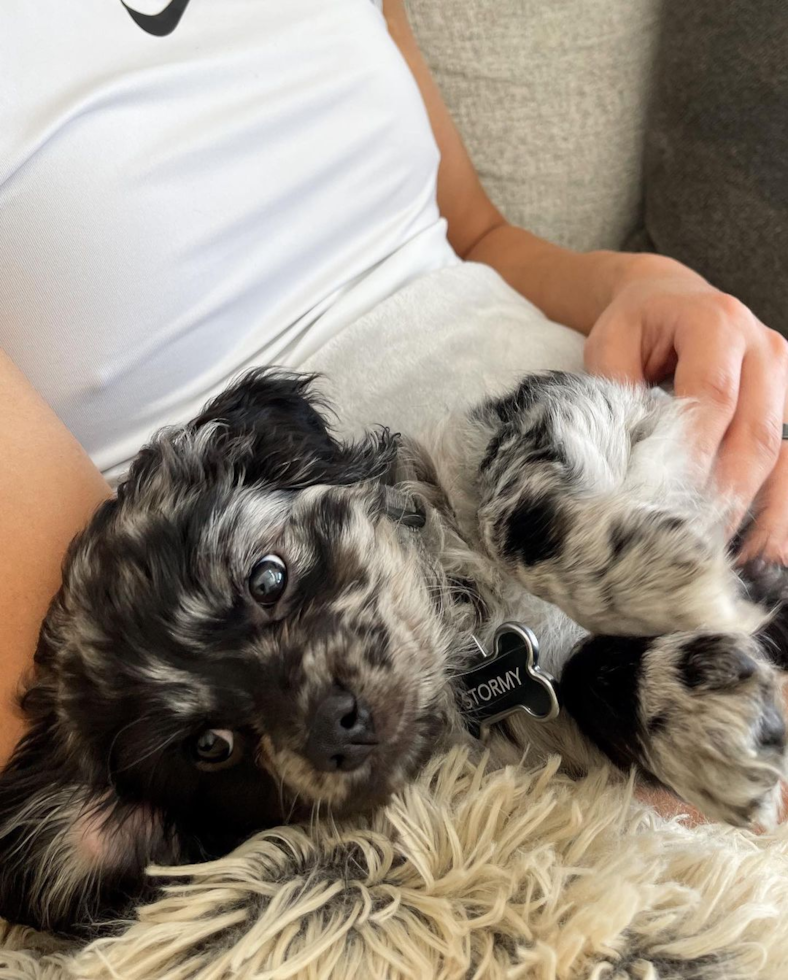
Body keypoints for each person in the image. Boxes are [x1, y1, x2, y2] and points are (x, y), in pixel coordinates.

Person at [1, 0, 787, 790]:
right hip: (512, 726)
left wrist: (643, 285)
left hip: (616, 443)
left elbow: (475, 236)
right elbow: (77, 736)